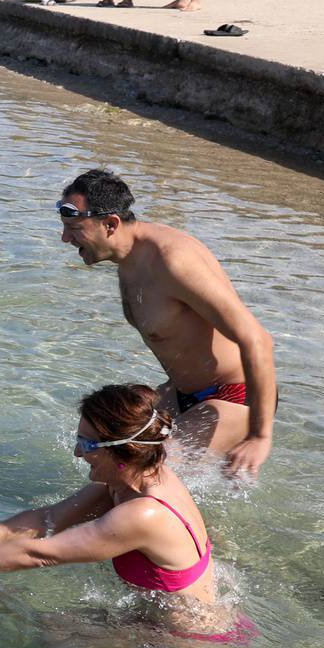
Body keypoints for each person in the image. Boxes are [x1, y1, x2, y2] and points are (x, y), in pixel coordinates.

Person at [0, 383, 250, 642]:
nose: (75, 452)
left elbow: (39, 554)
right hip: (160, 624)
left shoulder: (145, 513)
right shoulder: (131, 479)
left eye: (86, 444)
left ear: (122, 452)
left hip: (180, 645)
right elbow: (46, 521)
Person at [57, 169, 275, 475]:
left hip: (232, 396)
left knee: (136, 472)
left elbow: (257, 339)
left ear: (110, 224)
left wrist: (259, 436)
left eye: (73, 228)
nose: (65, 238)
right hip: (182, 393)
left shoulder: (173, 262)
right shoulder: (130, 257)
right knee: (98, 447)